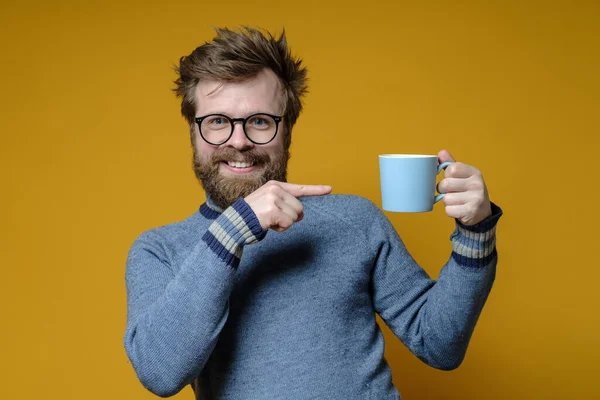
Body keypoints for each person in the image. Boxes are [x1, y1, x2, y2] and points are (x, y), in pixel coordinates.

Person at [123, 26, 503, 399]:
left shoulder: (354, 220)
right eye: (217, 121)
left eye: (259, 121)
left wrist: (476, 234)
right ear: (193, 130)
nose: (238, 141)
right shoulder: (159, 250)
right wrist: (232, 229)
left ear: (288, 129)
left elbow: (439, 344)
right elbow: (160, 371)